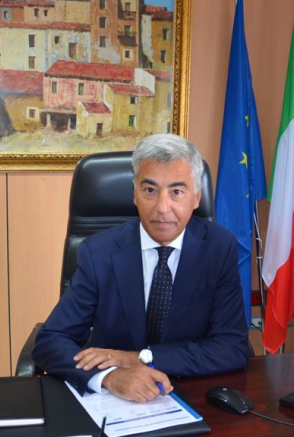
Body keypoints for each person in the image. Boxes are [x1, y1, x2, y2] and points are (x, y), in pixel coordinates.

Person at [33, 134, 248, 403]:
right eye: (149, 190)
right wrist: (109, 377)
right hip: (112, 401)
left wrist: (140, 358)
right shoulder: (98, 252)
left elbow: (231, 347)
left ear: (196, 198)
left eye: (177, 192)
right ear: (134, 194)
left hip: (189, 392)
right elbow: (51, 341)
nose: (162, 207)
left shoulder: (219, 248)